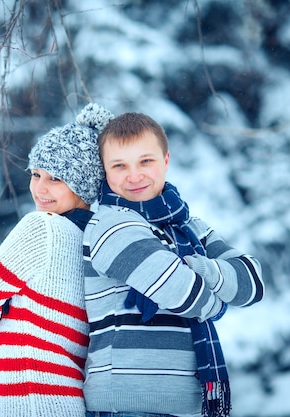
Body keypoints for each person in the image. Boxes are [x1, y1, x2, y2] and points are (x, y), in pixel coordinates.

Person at [82, 112, 265, 417]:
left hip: (189, 406)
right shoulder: (110, 225)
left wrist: (203, 269)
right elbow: (182, 293)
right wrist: (218, 300)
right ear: (105, 171)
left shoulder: (189, 226)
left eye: (145, 161)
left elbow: (252, 283)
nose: (134, 176)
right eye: (119, 166)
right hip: (126, 406)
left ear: (166, 160)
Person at [0, 103, 114, 417]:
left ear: (83, 186)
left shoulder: (42, 227)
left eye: (56, 179)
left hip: (28, 401)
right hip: (69, 403)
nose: (40, 188)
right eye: (36, 174)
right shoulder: (93, 244)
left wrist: (6, 321)